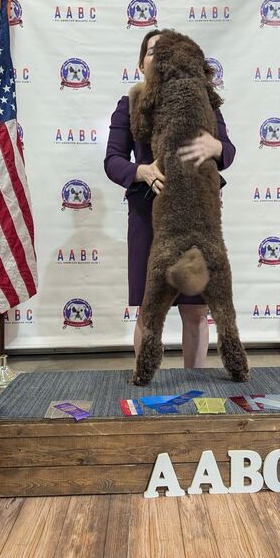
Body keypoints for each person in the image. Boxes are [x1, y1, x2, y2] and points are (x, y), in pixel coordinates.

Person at [103, 29, 236, 368]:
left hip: (196, 216)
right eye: (151, 51)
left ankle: (196, 381)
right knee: (149, 310)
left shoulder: (204, 99)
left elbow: (228, 150)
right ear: (140, 64)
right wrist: (141, 171)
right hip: (147, 216)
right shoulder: (129, 105)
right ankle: (146, 383)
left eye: (164, 50)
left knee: (196, 309)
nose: (158, 56)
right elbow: (113, 160)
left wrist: (216, 147)